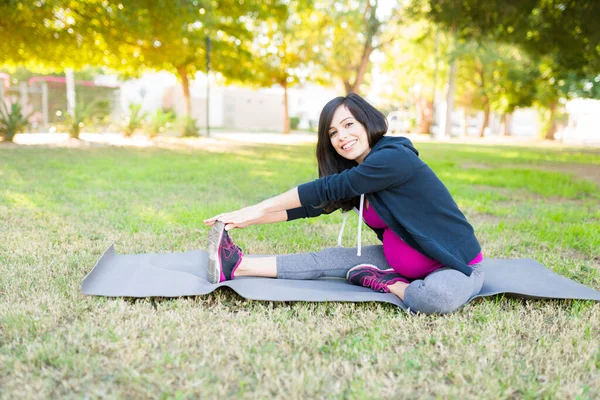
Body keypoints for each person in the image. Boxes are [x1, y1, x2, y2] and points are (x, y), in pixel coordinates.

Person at [204, 93, 484, 314]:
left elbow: (329, 187)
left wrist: (255, 209)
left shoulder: (394, 158)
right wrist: (241, 220)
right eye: (333, 132)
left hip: (453, 265)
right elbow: (310, 206)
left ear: (366, 122)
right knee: (326, 260)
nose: (342, 137)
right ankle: (237, 266)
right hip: (396, 257)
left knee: (434, 298)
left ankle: (390, 283)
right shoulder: (358, 172)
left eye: (349, 124)